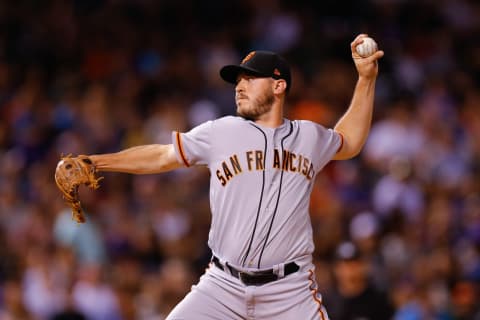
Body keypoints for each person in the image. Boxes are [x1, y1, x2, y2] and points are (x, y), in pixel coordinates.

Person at [83, 34, 384, 319]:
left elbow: (350, 140)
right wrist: (95, 162)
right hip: (223, 284)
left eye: (250, 79)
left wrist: (366, 79)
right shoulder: (221, 132)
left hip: (289, 289)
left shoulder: (308, 136)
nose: (239, 86)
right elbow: (162, 155)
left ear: (278, 86)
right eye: (238, 81)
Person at [323, 241, 395, 320]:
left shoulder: (378, 300)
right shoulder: (326, 302)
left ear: (363, 265)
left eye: (354, 263)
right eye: (344, 264)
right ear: (335, 268)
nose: (349, 269)